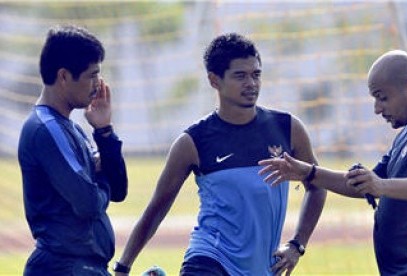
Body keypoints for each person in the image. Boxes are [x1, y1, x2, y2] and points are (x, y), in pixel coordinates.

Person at [114, 33, 326, 276]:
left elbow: (317, 185)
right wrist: (123, 267)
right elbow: (157, 208)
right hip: (210, 257)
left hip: (261, 268)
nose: (251, 83)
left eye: (256, 74)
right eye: (240, 76)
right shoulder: (192, 142)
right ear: (215, 80)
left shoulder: (288, 128)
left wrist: (297, 244)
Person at [259, 49, 407, 275]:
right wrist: (309, 172)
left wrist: (381, 185)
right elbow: (365, 186)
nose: (377, 108)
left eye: (382, 97)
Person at [17, 25, 128, 275]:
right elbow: (87, 203)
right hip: (62, 268)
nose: (98, 85)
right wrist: (100, 175)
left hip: (85, 267)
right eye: (92, 75)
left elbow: (119, 190)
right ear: (64, 76)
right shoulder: (46, 129)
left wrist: (105, 132)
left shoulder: (73, 129)